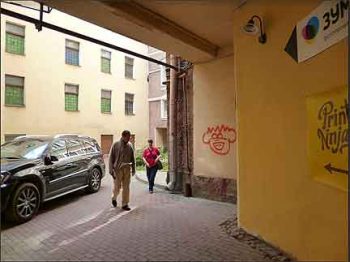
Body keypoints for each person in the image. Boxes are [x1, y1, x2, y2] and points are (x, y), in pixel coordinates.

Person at [109, 130, 136, 211]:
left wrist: (134, 169)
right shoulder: (115, 144)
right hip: (117, 169)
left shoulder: (130, 145)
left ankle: (125, 204)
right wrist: (111, 170)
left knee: (126, 187)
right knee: (117, 187)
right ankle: (114, 198)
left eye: (130, 137)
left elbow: (133, 158)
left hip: (127, 169)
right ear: (123, 136)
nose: (129, 139)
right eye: (128, 137)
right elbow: (111, 158)